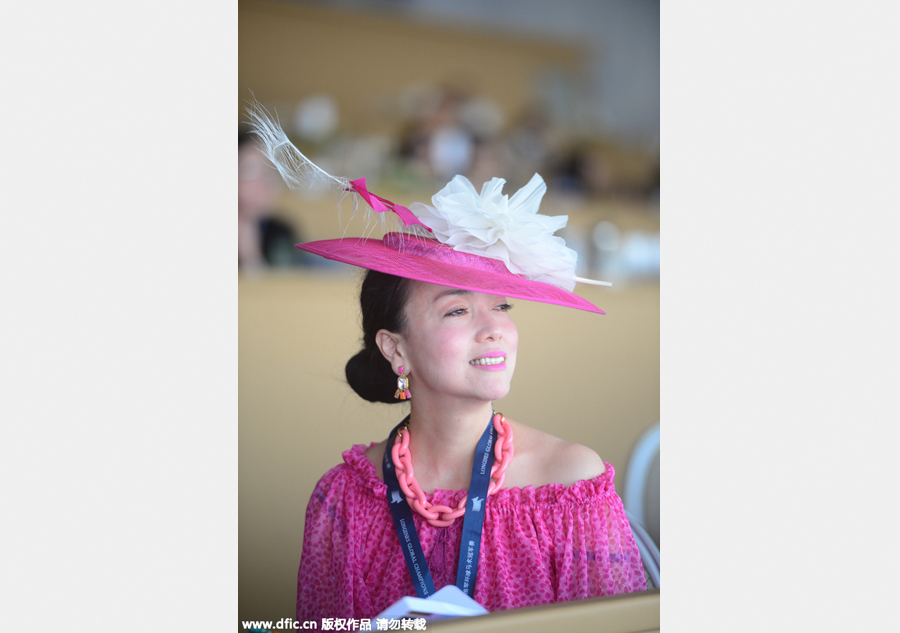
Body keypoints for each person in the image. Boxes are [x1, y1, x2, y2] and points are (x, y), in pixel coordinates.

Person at [246, 104, 647, 622]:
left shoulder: (569, 485)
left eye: (502, 305)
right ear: (396, 349)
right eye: (458, 309)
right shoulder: (344, 501)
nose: (494, 327)